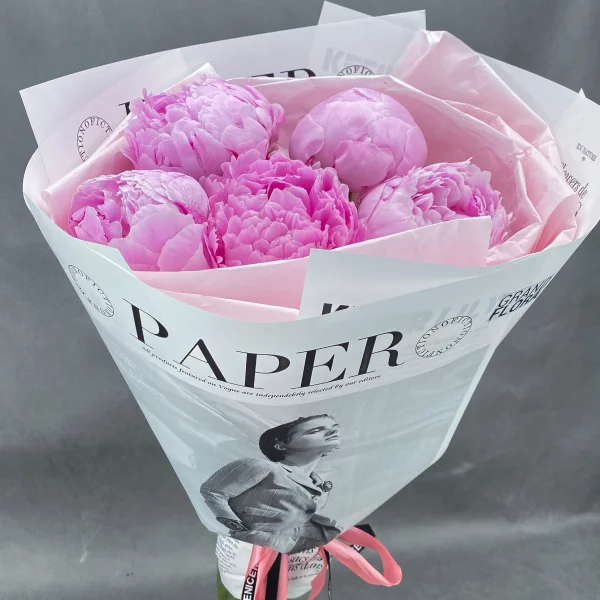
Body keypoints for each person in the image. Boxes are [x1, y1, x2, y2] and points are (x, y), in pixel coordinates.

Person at [201, 414, 341, 554]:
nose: (332, 432)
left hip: (302, 551)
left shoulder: (318, 483)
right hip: (254, 550)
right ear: (280, 445)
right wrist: (242, 531)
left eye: (334, 427)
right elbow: (213, 491)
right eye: (315, 431)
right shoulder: (261, 466)